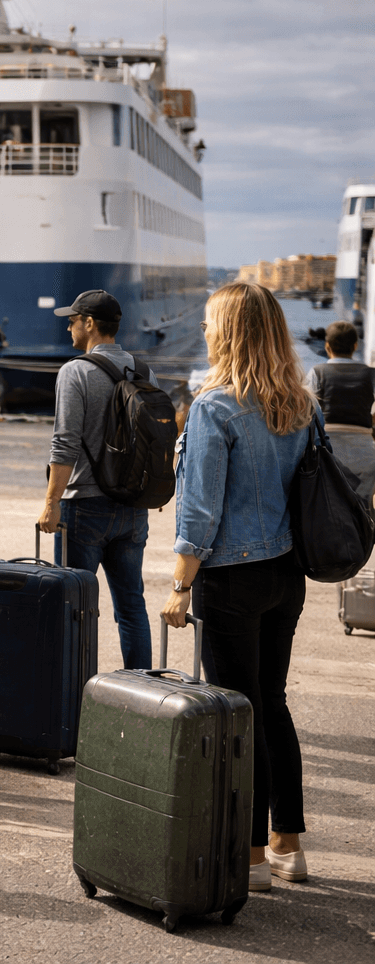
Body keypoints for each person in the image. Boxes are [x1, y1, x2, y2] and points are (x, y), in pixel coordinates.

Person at [161, 282, 316, 892]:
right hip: (287, 572)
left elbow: (200, 511)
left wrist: (179, 585)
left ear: (227, 331)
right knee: (271, 704)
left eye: (208, 322)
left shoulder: (214, 406)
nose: (202, 330)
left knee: (236, 715)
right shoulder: (301, 403)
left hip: (231, 577)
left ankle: (250, 857)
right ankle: (289, 843)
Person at [36, 289, 157, 670]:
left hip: (84, 509)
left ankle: (74, 694)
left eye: (72, 320)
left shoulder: (76, 371)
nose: (69, 326)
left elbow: (65, 443)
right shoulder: (143, 370)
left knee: (74, 607)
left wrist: (51, 503)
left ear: (89, 324)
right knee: (132, 606)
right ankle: (141, 688)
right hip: (132, 507)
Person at [305, 319, 375, 502]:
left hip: (329, 450)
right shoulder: (370, 374)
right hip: (364, 449)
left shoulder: (317, 372)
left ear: (327, 347)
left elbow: (305, 411)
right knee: (364, 508)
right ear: (355, 346)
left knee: (331, 505)